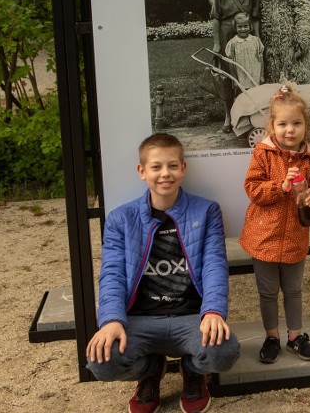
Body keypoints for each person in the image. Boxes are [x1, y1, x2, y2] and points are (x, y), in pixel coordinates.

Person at [86, 133, 240, 413]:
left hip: (190, 316)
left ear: (183, 168)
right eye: (156, 167)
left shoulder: (207, 211)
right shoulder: (121, 218)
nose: (165, 174)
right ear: (142, 171)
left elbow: (215, 265)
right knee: (101, 362)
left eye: (172, 166)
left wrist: (214, 311)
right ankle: (150, 370)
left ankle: (193, 369)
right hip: (141, 319)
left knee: (225, 350)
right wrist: (110, 319)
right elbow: (112, 274)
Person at [239, 83, 310, 364]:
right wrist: (281, 186)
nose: (290, 130)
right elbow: (253, 190)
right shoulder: (262, 154)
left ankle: (295, 337)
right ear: (272, 126)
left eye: (296, 123)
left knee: (293, 290)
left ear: (306, 125)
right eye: (283, 124)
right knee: (267, 292)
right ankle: (272, 336)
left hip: (294, 239)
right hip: (263, 238)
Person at [210, 0, 261, 132]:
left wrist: (258, 41)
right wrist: (217, 43)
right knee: (227, 74)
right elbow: (215, 19)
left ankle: (247, 113)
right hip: (226, 35)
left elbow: (255, 19)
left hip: (246, 36)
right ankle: (228, 114)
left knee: (247, 73)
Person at [224, 12, 264, 91]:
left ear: (250, 26)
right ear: (235, 28)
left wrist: (262, 76)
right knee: (243, 95)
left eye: (246, 26)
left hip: (255, 74)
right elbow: (231, 64)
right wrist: (234, 80)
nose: (243, 29)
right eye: (240, 27)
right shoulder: (233, 43)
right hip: (241, 76)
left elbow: (261, 59)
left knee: (256, 94)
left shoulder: (256, 41)